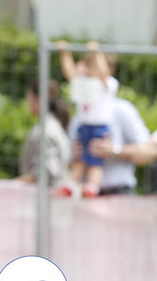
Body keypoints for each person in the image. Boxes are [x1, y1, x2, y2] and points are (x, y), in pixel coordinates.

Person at [56, 40, 118, 197]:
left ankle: (92, 186)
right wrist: (65, 54)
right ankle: (71, 183)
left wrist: (96, 53)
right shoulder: (84, 84)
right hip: (84, 126)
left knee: (95, 160)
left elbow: (103, 73)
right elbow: (70, 73)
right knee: (80, 157)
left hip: (99, 128)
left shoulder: (108, 85)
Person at [15, 78, 71, 187]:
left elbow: (42, 175)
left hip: (45, 200)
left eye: (29, 97)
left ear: (38, 100)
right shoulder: (53, 125)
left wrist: (9, 186)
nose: (27, 102)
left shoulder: (44, 131)